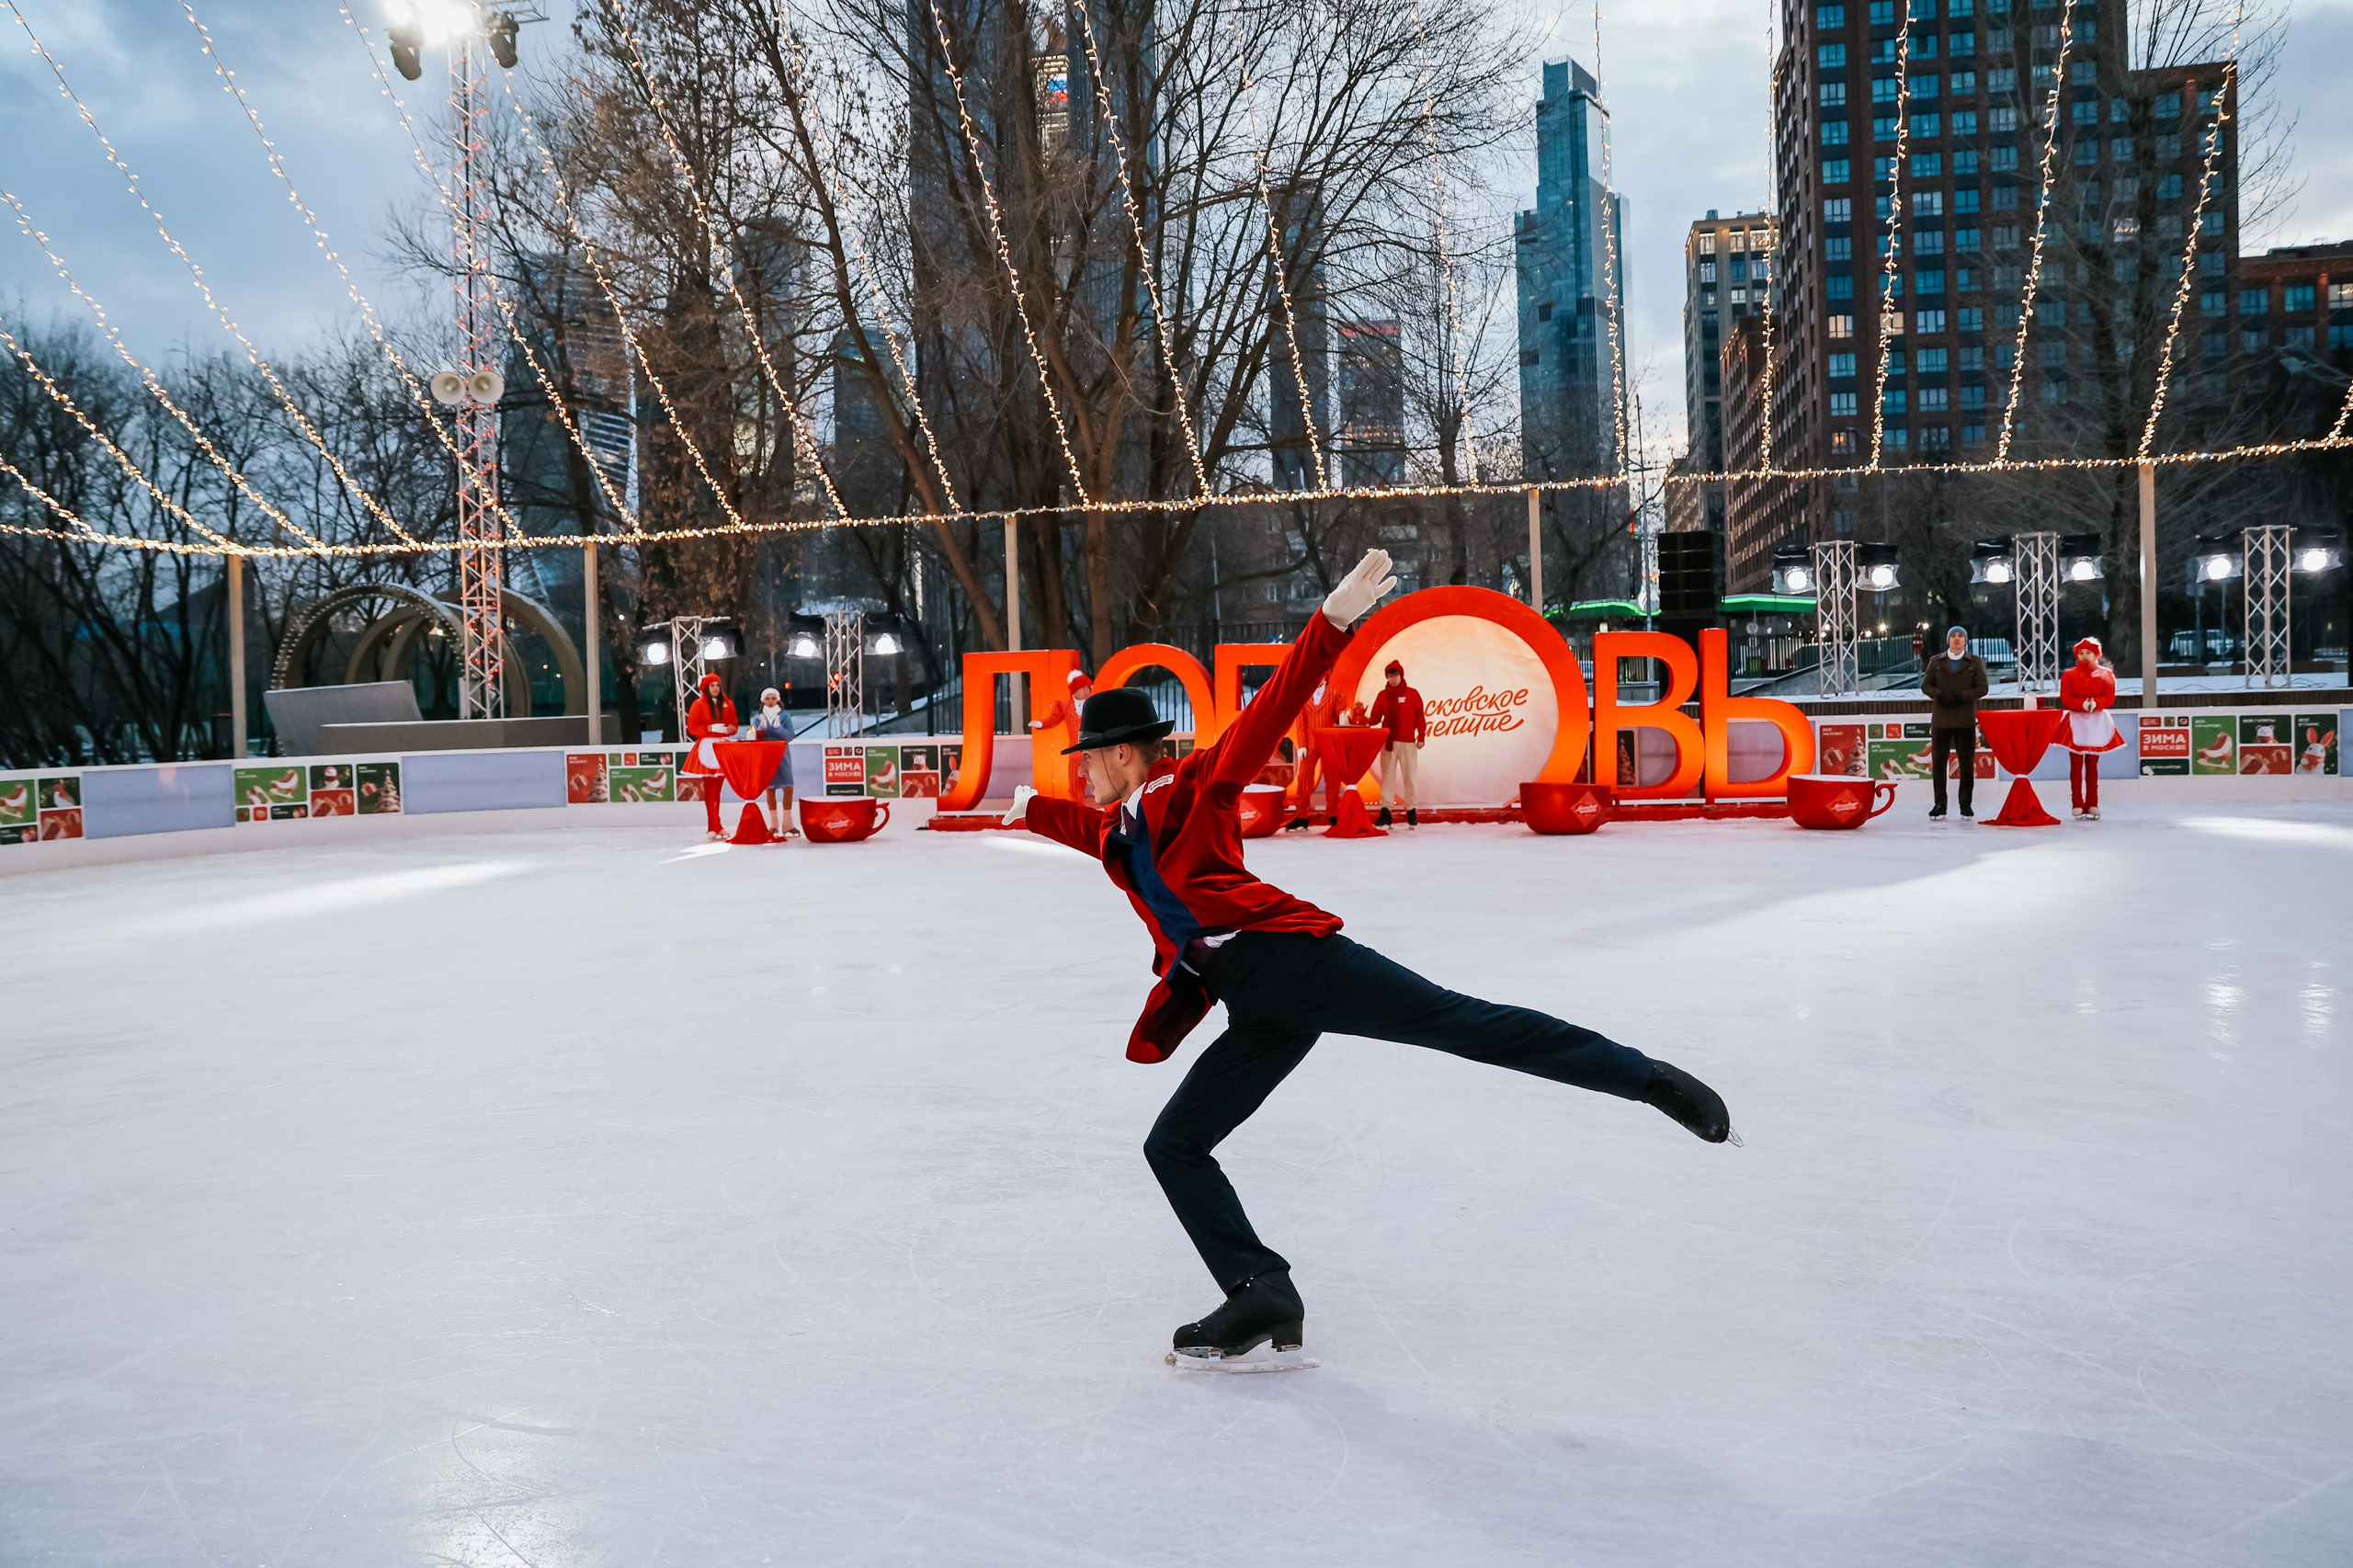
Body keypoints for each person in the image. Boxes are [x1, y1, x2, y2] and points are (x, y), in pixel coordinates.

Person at [1002, 550, 1734, 1371]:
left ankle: (1647, 1078)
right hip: (1254, 1004)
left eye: (1088, 758)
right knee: (1173, 1144)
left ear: (1125, 755)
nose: (1081, 771)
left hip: (1296, 962)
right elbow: (1081, 828)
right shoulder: (1119, 829)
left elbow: (1267, 714)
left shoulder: (1196, 789)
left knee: (1462, 1024)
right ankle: (1260, 1291)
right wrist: (1031, 809)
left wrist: (1329, 625)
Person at [1919, 625, 1987, 819]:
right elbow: (1926, 685)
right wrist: (1940, 695)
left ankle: (1965, 805)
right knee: (1939, 764)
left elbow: (1983, 687)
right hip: (1941, 719)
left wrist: (1964, 696)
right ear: (1948, 640)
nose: (1957, 639)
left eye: (1960, 636)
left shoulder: (1974, 662)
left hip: (1965, 720)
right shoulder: (1936, 661)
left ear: (1965, 641)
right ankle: (1940, 804)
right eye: (1953, 636)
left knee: (1966, 763)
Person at [2059, 637, 2121, 819]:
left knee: (2093, 765)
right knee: (2076, 765)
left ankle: (2093, 803)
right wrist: (2081, 705)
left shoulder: (2106, 674)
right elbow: (2066, 698)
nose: (2085, 655)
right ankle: (2077, 803)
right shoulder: (2069, 675)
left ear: (2096, 654)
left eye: (2088, 652)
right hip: (2076, 721)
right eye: (2081, 653)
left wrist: (2096, 703)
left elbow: (2110, 696)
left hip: (2097, 721)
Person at [1367, 658, 1427, 829]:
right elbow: (1376, 717)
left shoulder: (1412, 694)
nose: (1392, 679)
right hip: (1389, 743)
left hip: (1408, 743)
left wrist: (1421, 737)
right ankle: (1386, 812)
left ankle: (1412, 810)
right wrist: (1362, 719)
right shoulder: (1382, 695)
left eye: (1395, 675)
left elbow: (1420, 716)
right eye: (1390, 676)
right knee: (1387, 778)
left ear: (1401, 675)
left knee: (1410, 777)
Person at [682, 673, 739, 840]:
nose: (715, 688)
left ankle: (716, 825)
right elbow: (692, 727)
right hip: (707, 747)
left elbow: (734, 725)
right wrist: (708, 729)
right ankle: (713, 824)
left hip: (722, 746)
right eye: (712, 685)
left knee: (718, 790)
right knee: (710, 789)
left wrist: (731, 729)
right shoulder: (698, 704)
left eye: (717, 685)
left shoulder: (728, 703)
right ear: (706, 688)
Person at [1029, 667, 1095, 800]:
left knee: (1102, 783)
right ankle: (1078, 810)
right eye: (1084, 687)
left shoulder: (1094, 705)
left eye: (1088, 687)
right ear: (1076, 690)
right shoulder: (1065, 706)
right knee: (1075, 786)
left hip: (1094, 753)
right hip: (1075, 754)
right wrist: (1041, 724)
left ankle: (1111, 809)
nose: (1088, 690)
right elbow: (1054, 719)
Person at [749, 687, 799, 837]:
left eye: (773, 698)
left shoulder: (784, 716)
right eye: (767, 698)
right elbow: (753, 738)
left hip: (782, 756)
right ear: (763, 700)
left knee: (788, 787)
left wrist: (779, 729)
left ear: (778, 700)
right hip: (766, 756)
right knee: (770, 789)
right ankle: (773, 824)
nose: (770, 701)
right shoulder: (758, 718)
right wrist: (760, 730)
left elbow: (790, 736)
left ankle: (788, 823)